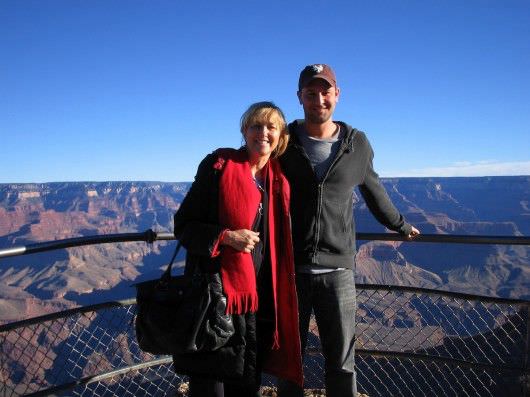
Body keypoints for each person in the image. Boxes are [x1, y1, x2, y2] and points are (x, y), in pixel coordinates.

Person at [277, 64, 420, 397]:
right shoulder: (283, 140)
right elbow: (252, 171)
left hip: (338, 270)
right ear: (299, 98)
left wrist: (399, 225)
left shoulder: (357, 143)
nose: (318, 100)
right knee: (289, 362)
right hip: (289, 270)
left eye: (325, 92)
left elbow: (374, 190)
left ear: (337, 95)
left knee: (341, 363)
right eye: (310, 94)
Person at [172, 101, 303, 397]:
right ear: (244, 131)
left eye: (271, 127)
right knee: (210, 384)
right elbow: (184, 225)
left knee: (247, 382)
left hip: (259, 299)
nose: (263, 133)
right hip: (216, 297)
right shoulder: (218, 167)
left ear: (281, 135)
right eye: (256, 125)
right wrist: (227, 237)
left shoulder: (278, 180)